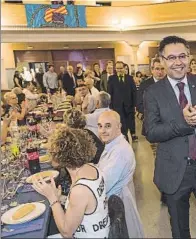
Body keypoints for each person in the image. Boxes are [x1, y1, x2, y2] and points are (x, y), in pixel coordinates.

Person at [144, 36, 196, 238]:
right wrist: (183, 123)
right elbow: (151, 132)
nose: (177, 62)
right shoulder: (153, 92)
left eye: (182, 56)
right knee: (180, 230)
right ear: (162, 61)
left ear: (189, 57)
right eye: (171, 57)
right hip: (174, 169)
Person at [32, 126, 109, 238]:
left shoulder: (80, 190)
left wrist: (52, 199)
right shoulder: (92, 167)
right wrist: (60, 198)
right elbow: (85, 205)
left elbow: (66, 232)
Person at [97, 110, 144, 238]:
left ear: (119, 127)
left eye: (108, 126)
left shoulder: (120, 152)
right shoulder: (112, 144)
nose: (102, 130)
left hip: (114, 207)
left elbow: (102, 185)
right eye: (100, 126)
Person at [108, 61, 137, 141]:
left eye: (121, 68)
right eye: (117, 68)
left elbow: (134, 92)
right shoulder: (111, 79)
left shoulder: (129, 78)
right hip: (117, 105)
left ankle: (133, 133)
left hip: (129, 104)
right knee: (121, 121)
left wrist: (135, 105)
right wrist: (111, 106)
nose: (119, 70)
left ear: (124, 68)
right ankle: (124, 136)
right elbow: (110, 93)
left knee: (131, 120)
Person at [137, 58, 166, 135]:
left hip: (168, 125)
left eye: (162, 69)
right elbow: (139, 104)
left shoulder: (170, 84)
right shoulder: (145, 85)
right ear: (152, 70)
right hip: (151, 124)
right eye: (157, 69)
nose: (160, 72)